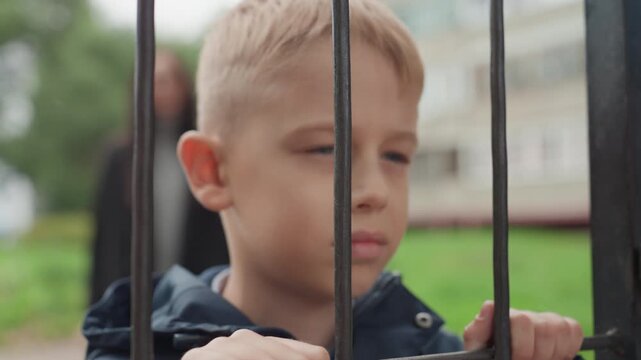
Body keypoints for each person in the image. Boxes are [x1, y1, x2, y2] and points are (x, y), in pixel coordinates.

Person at [83, 1, 584, 359]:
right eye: (326, 149)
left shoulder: (434, 348)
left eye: (396, 155)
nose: (374, 191)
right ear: (212, 171)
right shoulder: (132, 347)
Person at [89, 50, 228, 304]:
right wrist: (98, 303)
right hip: (133, 296)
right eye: (154, 81)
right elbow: (104, 240)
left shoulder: (204, 152)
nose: (161, 90)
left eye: (168, 80)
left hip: (195, 293)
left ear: (184, 86)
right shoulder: (120, 157)